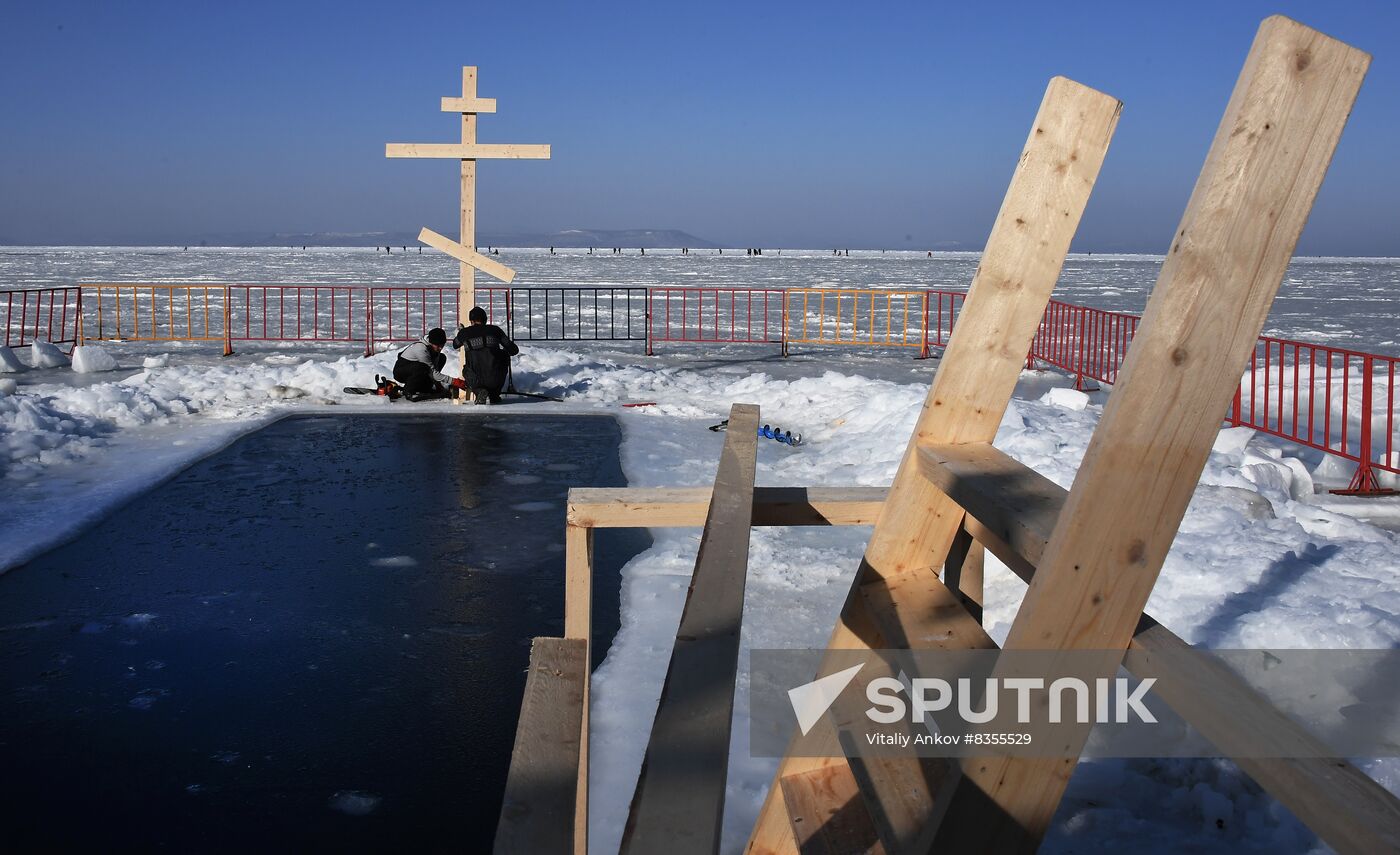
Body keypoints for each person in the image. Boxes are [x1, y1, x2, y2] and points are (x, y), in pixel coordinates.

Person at [452, 307, 519, 404]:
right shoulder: (495, 330)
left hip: (475, 378)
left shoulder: (464, 333)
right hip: (495, 377)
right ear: (485, 319)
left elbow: (455, 344)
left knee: (466, 369)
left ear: (471, 321)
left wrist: (460, 333)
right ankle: (494, 395)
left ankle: (479, 391)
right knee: (504, 355)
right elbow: (514, 350)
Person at [393, 328, 461, 400]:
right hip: (401, 371)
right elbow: (433, 373)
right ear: (431, 343)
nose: (440, 348)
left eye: (442, 345)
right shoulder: (421, 349)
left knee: (442, 358)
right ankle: (409, 391)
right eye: (438, 346)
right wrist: (454, 381)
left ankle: (423, 388)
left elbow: (435, 369)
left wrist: (438, 386)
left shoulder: (434, 350)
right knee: (422, 367)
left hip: (416, 370)